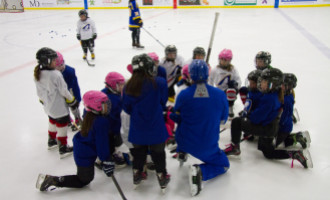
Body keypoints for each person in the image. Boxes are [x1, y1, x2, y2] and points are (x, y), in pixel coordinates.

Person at [224, 68, 313, 168]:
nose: (261, 83)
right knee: (268, 153)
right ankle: (294, 154)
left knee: (237, 122)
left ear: (273, 84)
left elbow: (256, 118)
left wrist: (248, 117)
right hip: (271, 128)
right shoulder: (275, 94)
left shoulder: (270, 99)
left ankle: (235, 148)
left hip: (267, 129)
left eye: (264, 82)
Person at [170, 60, 229, 196]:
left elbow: (176, 116)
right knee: (223, 164)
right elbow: (223, 119)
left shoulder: (184, 94)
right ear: (207, 74)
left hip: (184, 140)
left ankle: (182, 151)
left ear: (190, 75)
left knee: (183, 127)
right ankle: (201, 172)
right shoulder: (220, 95)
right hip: (206, 145)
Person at [36, 91, 115, 191]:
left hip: (83, 145)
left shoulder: (90, 113)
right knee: (84, 179)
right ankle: (52, 180)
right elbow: (101, 144)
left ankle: (98, 162)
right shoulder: (101, 122)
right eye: (105, 104)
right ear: (97, 108)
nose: (108, 106)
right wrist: (105, 159)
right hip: (84, 153)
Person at [122, 54, 170, 191]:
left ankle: (137, 174)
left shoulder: (128, 86)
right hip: (156, 127)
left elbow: (126, 108)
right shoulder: (160, 82)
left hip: (137, 128)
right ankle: (162, 176)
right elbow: (163, 102)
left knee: (138, 153)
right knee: (158, 154)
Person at [34, 47, 77, 158]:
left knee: (52, 121)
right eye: (54, 60)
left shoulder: (38, 73)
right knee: (61, 125)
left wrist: (43, 101)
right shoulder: (56, 74)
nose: (56, 62)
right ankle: (63, 148)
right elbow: (64, 90)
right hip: (59, 107)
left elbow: (39, 93)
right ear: (47, 61)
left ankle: (51, 141)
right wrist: (72, 100)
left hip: (48, 107)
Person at [276, 73, 311, 150]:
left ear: (289, 87)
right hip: (285, 126)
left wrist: (279, 125)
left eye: (283, 85)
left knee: (276, 144)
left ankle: (296, 137)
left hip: (284, 128)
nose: (281, 86)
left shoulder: (287, 100)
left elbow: (285, 115)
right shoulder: (284, 95)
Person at [101, 72, 127, 168]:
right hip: (111, 127)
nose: (122, 87)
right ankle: (112, 154)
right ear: (113, 85)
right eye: (120, 85)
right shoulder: (107, 97)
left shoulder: (116, 93)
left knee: (116, 140)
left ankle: (115, 151)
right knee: (111, 141)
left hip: (116, 126)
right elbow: (115, 114)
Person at [208, 48, 241, 118]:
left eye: (225, 60)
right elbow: (210, 80)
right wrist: (210, 90)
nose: (223, 61)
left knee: (231, 89)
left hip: (230, 92)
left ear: (229, 61)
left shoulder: (233, 69)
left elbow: (238, 80)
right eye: (221, 59)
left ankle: (230, 108)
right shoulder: (215, 69)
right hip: (219, 91)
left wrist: (235, 86)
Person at [55, 51, 82, 131]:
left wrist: (76, 98)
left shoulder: (69, 72)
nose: (62, 66)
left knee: (74, 107)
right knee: (63, 107)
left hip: (71, 94)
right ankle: (67, 118)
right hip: (61, 95)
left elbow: (73, 87)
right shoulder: (53, 74)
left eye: (62, 64)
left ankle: (78, 119)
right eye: (59, 66)